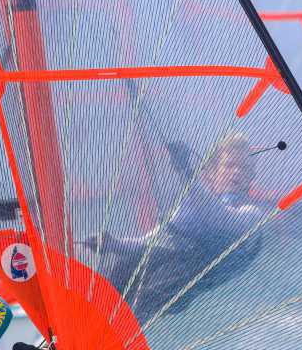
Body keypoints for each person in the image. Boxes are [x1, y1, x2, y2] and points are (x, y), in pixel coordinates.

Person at [85, 133, 268, 322]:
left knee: (147, 296)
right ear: (213, 173)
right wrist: (114, 244)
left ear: (250, 178)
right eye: (230, 165)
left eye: (244, 169)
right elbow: (155, 239)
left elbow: (220, 218)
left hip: (187, 275)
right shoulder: (191, 205)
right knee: (114, 273)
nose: (237, 172)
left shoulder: (252, 213)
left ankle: (106, 342)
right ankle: (64, 338)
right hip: (170, 259)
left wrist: (186, 173)